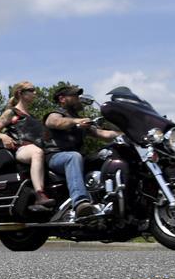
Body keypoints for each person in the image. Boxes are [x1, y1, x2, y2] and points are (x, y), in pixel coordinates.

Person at [43, 84, 122, 219]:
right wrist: (76, 121)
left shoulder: (80, 120)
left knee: (107, 154)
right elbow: (55, 122)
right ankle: (80, 203)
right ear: (62, 99)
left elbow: (102, 133)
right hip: (55, 156)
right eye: (74, 96)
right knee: (73, 157)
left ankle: (108, 199)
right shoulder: (55, 114)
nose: (78, 98)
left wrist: (124, 133)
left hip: (78, 157)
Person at [0, 82, 54, 209]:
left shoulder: (32, 116)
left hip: (36, 147)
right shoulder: (11, 113)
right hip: (21, 148)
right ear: (20, 93)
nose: (35, 93)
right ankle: (39, 195)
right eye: (31, 90)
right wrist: (4, 136)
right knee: (37, 152)